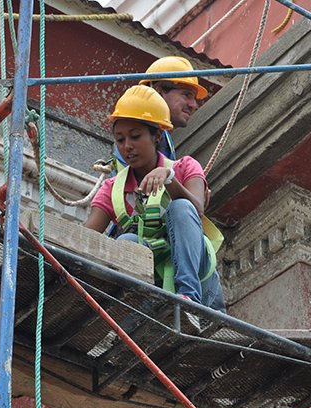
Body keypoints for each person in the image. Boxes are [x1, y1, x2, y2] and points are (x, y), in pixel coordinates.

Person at [85, 85, 226, 313]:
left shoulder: (184, 167)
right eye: (120, 139)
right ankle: (136, 315)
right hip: (155, 286)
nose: (127, 146)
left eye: (135, 136)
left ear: (157, 136)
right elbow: (88, 235)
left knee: (181, 207)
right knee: (126, 241)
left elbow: (197, 208)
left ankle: (187, 299)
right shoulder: (113, 189)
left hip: (199, 282)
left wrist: (169, 178)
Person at [110, 56, 208, 173]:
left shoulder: (163, 137)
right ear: (159, 92)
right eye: (186, 95)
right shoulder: (144, 132)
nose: (193, 105)